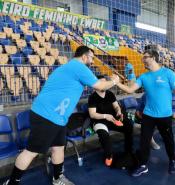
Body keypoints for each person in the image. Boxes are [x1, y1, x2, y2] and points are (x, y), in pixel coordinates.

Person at [3, 46, 120, 185]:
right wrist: (114, 81)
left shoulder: (72, 68)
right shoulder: (78, 67)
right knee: (31, 151)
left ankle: (58, 178)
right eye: (91, 58)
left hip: (58, 117)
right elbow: (100, 86)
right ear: (84, 56)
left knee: (58, 147)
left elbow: (95, 85)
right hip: (47, 115)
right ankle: (12, 182)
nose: (92, 61)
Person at [115, 47, 175, 177]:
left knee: (168, 140)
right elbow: (130, 90)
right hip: (148, 115)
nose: (143, 59)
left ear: (153, 57)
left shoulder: (168, 73)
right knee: (144, 141)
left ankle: (172, 160)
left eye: (145, 57)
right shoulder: (144, 76)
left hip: (165, 115)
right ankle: (143, 165)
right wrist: (117, 83)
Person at [88, 75, 133, 167]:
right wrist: (105, 116)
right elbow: (92, 114)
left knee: (128, 125)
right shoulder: (92, 97)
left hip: (112, 119)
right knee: (104, 135)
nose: (105, 85)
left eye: (106, 82)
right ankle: (109, 156)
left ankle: (128, 151)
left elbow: (116, 106)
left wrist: (118, 111)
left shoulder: (110, 94)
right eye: (102, 83)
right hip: (100, 120)